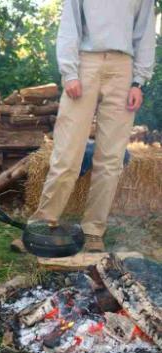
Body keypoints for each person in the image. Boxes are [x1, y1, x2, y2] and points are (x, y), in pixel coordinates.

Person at [30, 0, 156, 252]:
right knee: (67, 152)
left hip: (123, 68)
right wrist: (70, 72)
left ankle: (93, 230)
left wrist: (138, 81)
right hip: (86, 63)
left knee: (111, 159)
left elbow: (145, 33)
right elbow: (70, 24)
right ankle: (42, 224)